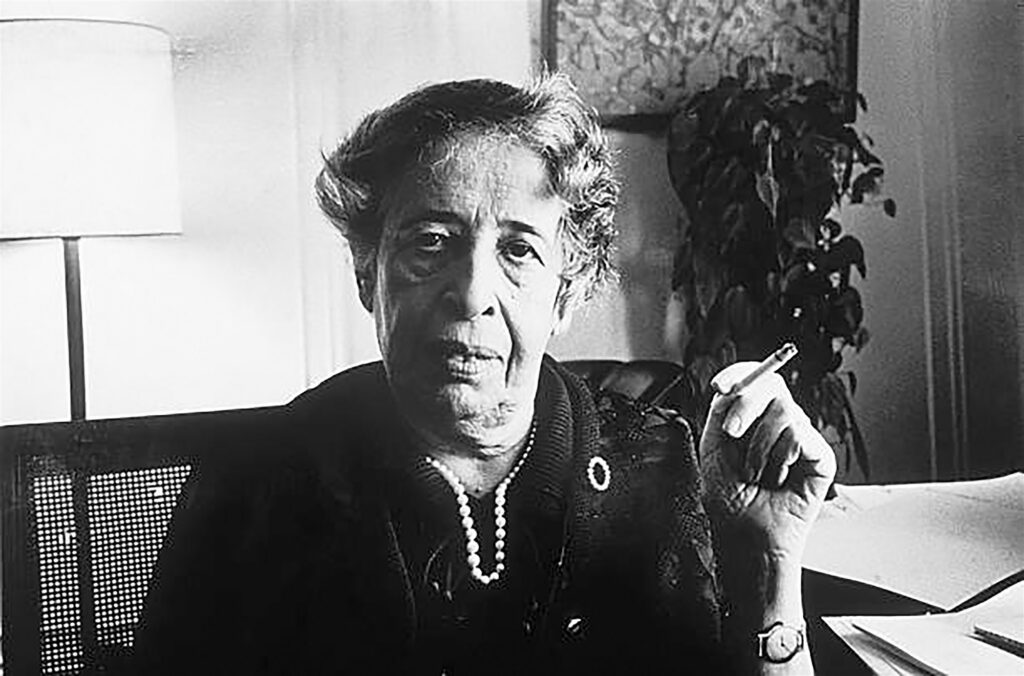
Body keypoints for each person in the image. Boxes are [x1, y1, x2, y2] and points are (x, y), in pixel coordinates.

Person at [132, 73, 835, 675]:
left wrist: (768, 562)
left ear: (566, 293)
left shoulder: (663, 467)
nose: (471, 294)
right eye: (430, 243)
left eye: (519, 250)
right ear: (367, 272)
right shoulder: (257, 483)